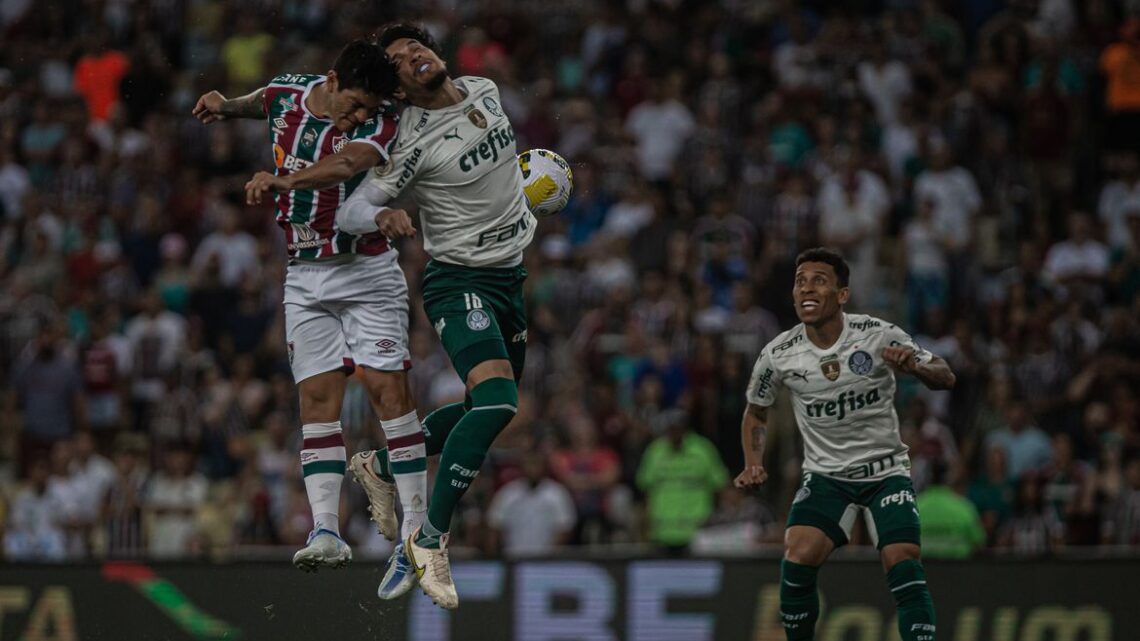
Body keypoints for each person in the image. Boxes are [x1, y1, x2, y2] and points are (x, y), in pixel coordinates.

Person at [191, 39, 429, 579]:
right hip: (304, 273)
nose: (362, 115)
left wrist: (285, 179)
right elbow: (266, 99)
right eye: (356, 104)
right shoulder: (289, 93)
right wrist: (226, 103)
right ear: (330, 80)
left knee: (388, 392)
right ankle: (326, 530)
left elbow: (347, 164)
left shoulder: (379, 123)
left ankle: (416, 531)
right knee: (317, 399)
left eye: (370, 107)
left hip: (366, 271)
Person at [335, 22, 538, 609]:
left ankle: (376, 463)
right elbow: (353, 210)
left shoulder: (484, 89)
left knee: (489, 408)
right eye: (398, 60)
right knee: (499, 403)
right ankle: (427, 540)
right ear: (396, 88)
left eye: (414, 46)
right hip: (458, 282)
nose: (413, 55)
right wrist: (379, 219)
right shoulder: (408, 144)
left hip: (509, 278)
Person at [736, 247, 956, 641]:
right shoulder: (778, 354)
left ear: (842, 295)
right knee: (797, 557)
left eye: (819, 280)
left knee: (901, 558)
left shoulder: (878, 334)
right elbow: (756, 410)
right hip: (826, 476)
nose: (807, 288)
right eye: (801, 281)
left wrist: (916, 367)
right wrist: (753, 461)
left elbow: (945, 375)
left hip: (884, 471)